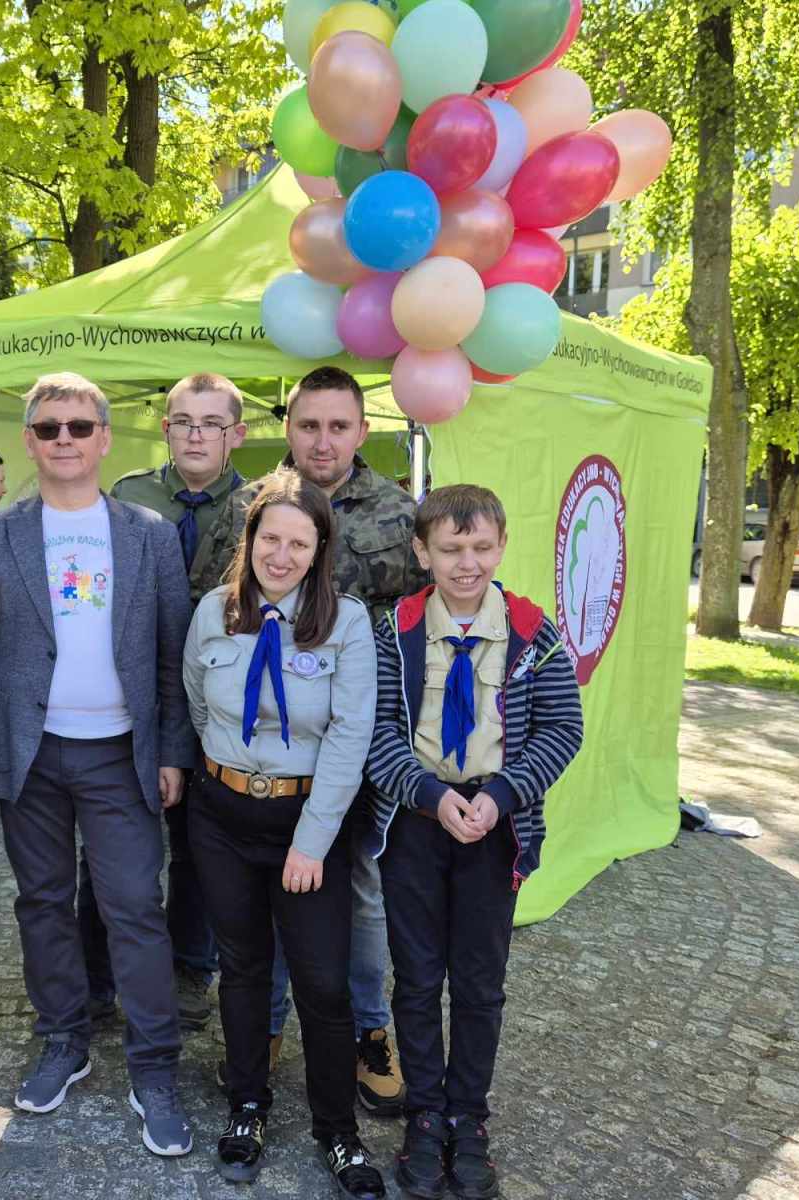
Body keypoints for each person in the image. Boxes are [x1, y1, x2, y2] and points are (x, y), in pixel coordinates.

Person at [0, 371, 198, 1157]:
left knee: (134, 907)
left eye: (79, 427)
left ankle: (154, 1068)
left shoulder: (150, 534)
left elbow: (173, 654)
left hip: (122, 753)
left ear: (105, 438)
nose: (64, 439)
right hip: (32, 754)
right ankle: (64, 1037)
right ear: (29, 440)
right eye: (49, 427)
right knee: (43, 902)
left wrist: (173, 751)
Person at [192, 365, 426, 1117]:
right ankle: (263, 1032)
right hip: (263, 742)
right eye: (308, 425)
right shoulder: (244, 508)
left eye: (338, 426)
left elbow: (424, 626)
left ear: (362, 431)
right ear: (286, 428)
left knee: (356, 895)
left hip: (365, 738)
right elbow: (209, 615)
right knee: (265, 907)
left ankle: (368, 1033)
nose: (322, 441)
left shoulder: (401, 513)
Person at [364, 485, 583, 1200]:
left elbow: (563, 728)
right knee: (417, 977)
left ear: (502, 546)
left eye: (482, 548)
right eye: (451, 549)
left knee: (480, 982)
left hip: (496, 828)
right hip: (416, 827)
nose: (467, 563)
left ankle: (469, 1115)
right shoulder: (394, 631)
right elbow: (376, 733)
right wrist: (430, 796)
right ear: (421, 551)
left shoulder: (533, 632)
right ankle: (426, 1114)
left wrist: (502, 795)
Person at [184, 469, 386, 1198]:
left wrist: (311, 840)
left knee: (322, 982)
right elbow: (198, 705)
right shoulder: (214, 612)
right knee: (241, 967)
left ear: (320, 550)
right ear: (251, 538)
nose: (282, 555)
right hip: (224, 816)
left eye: (299, 544)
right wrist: (234, 774)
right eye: (271, 538)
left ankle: (338, 1132)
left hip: (309, 823)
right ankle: (247, 1105)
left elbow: (350, 735)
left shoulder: (346, 624)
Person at [75, 372, 250, 1029]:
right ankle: (96, 978)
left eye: (211, 423)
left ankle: (188, 971)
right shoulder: (128, 497)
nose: (195, 435)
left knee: (200, 849)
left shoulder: (261, 505)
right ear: (165, 427)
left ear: (238, 433)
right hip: (133, 699)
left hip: (217, 704)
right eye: (183, 422)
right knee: (111, 846)